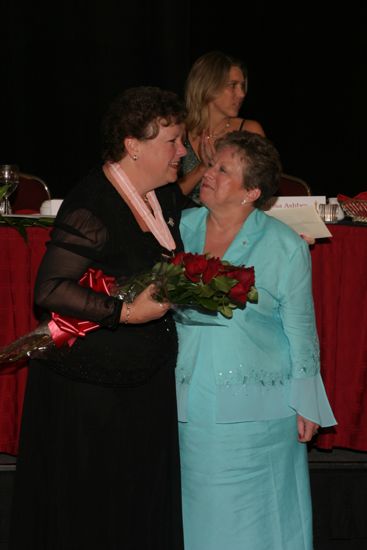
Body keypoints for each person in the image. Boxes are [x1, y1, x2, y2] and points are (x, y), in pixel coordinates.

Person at [10, 86, 187, 550]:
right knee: (96, 515)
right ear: (133, 145)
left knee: (137, 510)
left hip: (142, 384)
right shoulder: (92, 204)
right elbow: (49, 289)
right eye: (172, 141)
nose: (183, 152)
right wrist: (125, 312)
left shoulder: (163, 198)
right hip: (91, 394)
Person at [175, 130, 336, 550]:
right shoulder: (179, 230)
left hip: (260, 414)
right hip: (187, 403)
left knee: (261, 517)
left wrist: (308, 402)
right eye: (211, 165)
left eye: (222, 169)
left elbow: (301, 329)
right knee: (197, 515)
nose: (207, 173)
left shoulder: (283, 245)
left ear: (251, 192)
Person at [178, 50, 265, 204]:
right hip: (181, 223)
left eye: (242, 86)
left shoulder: (249, 130)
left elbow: (261, 189)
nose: (241, 94)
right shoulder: (178, 131)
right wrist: (203, 168)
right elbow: (164, 198)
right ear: (208, 86)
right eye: (233, 86)